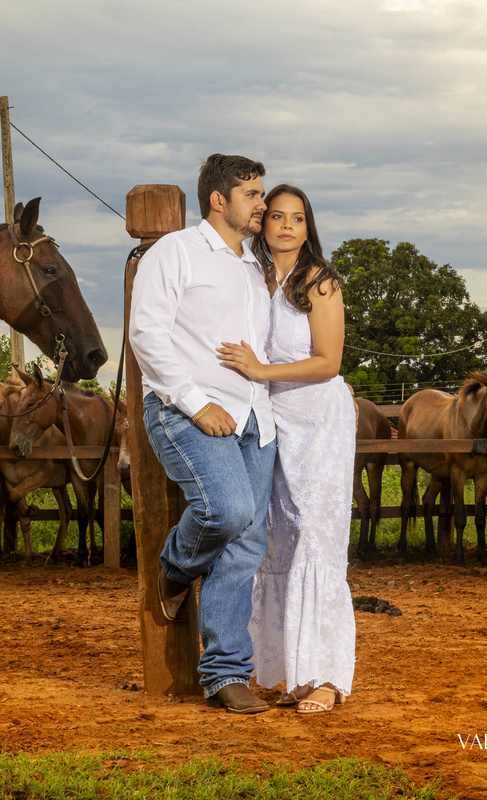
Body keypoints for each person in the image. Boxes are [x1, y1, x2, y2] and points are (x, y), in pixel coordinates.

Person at [129, 154, 278, 715]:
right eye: (252, 194)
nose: (262, 204)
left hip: (254, 418)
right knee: (227, 510)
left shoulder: (253, 267)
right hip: (185, 411)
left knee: (246, 545)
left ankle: (225, 673)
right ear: (219, 200)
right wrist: (197, 404)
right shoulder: (176, 251)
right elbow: (146, 334)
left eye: (261, 193)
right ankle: (174, 568)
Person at [216, 183, 357, 715]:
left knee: (317, 538)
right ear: (263, 221)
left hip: (319, 421)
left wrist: (260, 370)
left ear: (308, 226)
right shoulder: (251, 277)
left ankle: (326, 676)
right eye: (277, 216)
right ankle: (289, 671)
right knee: (278, 541)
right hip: (271, 419)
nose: (287, 226)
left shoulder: (320, 281)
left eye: (298, 218)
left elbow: (328, 362)